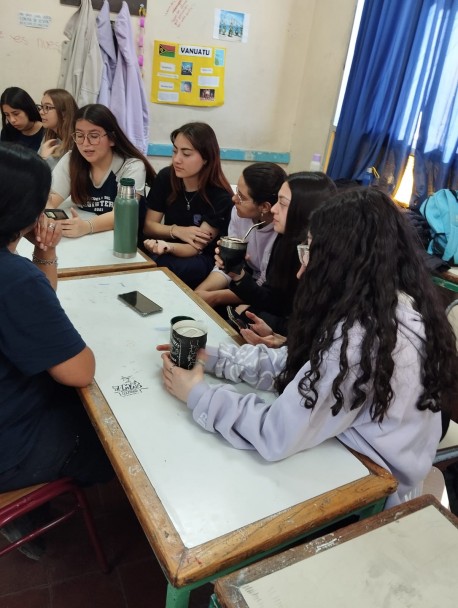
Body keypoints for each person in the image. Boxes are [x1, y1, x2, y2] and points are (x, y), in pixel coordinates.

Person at [159, 188, 458, 509]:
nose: (302, 270)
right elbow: (297, 362)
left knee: (229, 485)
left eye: (311, 254)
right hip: (368, 456)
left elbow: (276, 433)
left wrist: (199, 395)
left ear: (343, 262)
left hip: (371, 488)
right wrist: (217, 358)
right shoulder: (389, 303)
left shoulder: (361, 334)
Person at [0, 143, 113, 495]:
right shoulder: (15, 277)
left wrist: (43, 251)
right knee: (108, 433)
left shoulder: (17, 276)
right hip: (9, 449)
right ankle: (32, 504)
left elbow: (34, 313)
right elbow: (79, 371)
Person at [220, 172, 337, 335]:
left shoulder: (326, 256)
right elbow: (274, 300)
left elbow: (310, 327)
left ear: (304, 209)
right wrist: (237, 274)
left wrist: (274, 332)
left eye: (282, 203)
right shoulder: (285, 241)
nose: (273, 209)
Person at [143, 122, 233, 289]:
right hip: (166, 250)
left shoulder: (220, 196)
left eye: (186, 154)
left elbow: (195, 248)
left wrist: (167, 246)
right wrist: (176, 230)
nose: (177, 159)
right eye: (175, 151)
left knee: (162, 267)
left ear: (206, 158)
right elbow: (149, 226)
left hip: (203, 259)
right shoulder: (166, 177)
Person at [47, 103, 156, 237]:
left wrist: (87, 226)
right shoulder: (71, 159)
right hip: (88, 239)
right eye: (80, 136)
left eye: (94, 136)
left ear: (112, 139)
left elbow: (123, 214)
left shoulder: (132, 166)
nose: (85, 144)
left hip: (124, 241)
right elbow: (51, 200)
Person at [195, 162, 286, 309]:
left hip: (263, 292)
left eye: (241, 197)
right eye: (237, 191)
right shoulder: (239, 213)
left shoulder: (280, 233)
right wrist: (200, 292)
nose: (234, 199)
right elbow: (227, 265)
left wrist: (215, 297)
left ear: (264, 207)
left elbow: (264, 288)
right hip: (243, 279)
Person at [37, 88, 78, 169]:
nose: (41, 112)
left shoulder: (77, 141)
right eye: (41, 107)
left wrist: (43, 161)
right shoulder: (49, 135)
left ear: (64, 113)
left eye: (47, 107)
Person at [0, 86, 43, 151]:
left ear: (27, 109)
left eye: (16, 114)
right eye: (7, 115)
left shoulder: (46, 134)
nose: (12, 120)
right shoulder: (7, 131)